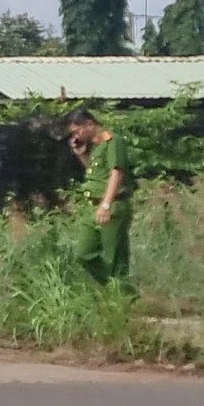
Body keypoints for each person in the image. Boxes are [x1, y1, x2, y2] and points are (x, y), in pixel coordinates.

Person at [68, 110, 135, 286]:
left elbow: (116, 173)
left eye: (77, 131)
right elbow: (96, 172)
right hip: (92, 207)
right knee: (83, 254)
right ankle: (115, 287)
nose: (76, 135)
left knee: (114, 258)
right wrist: (81, 154)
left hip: (111, 205)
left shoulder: (113, 141)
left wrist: (106, 204)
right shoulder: (96, 146)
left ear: (89, 124)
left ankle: (121, 296)